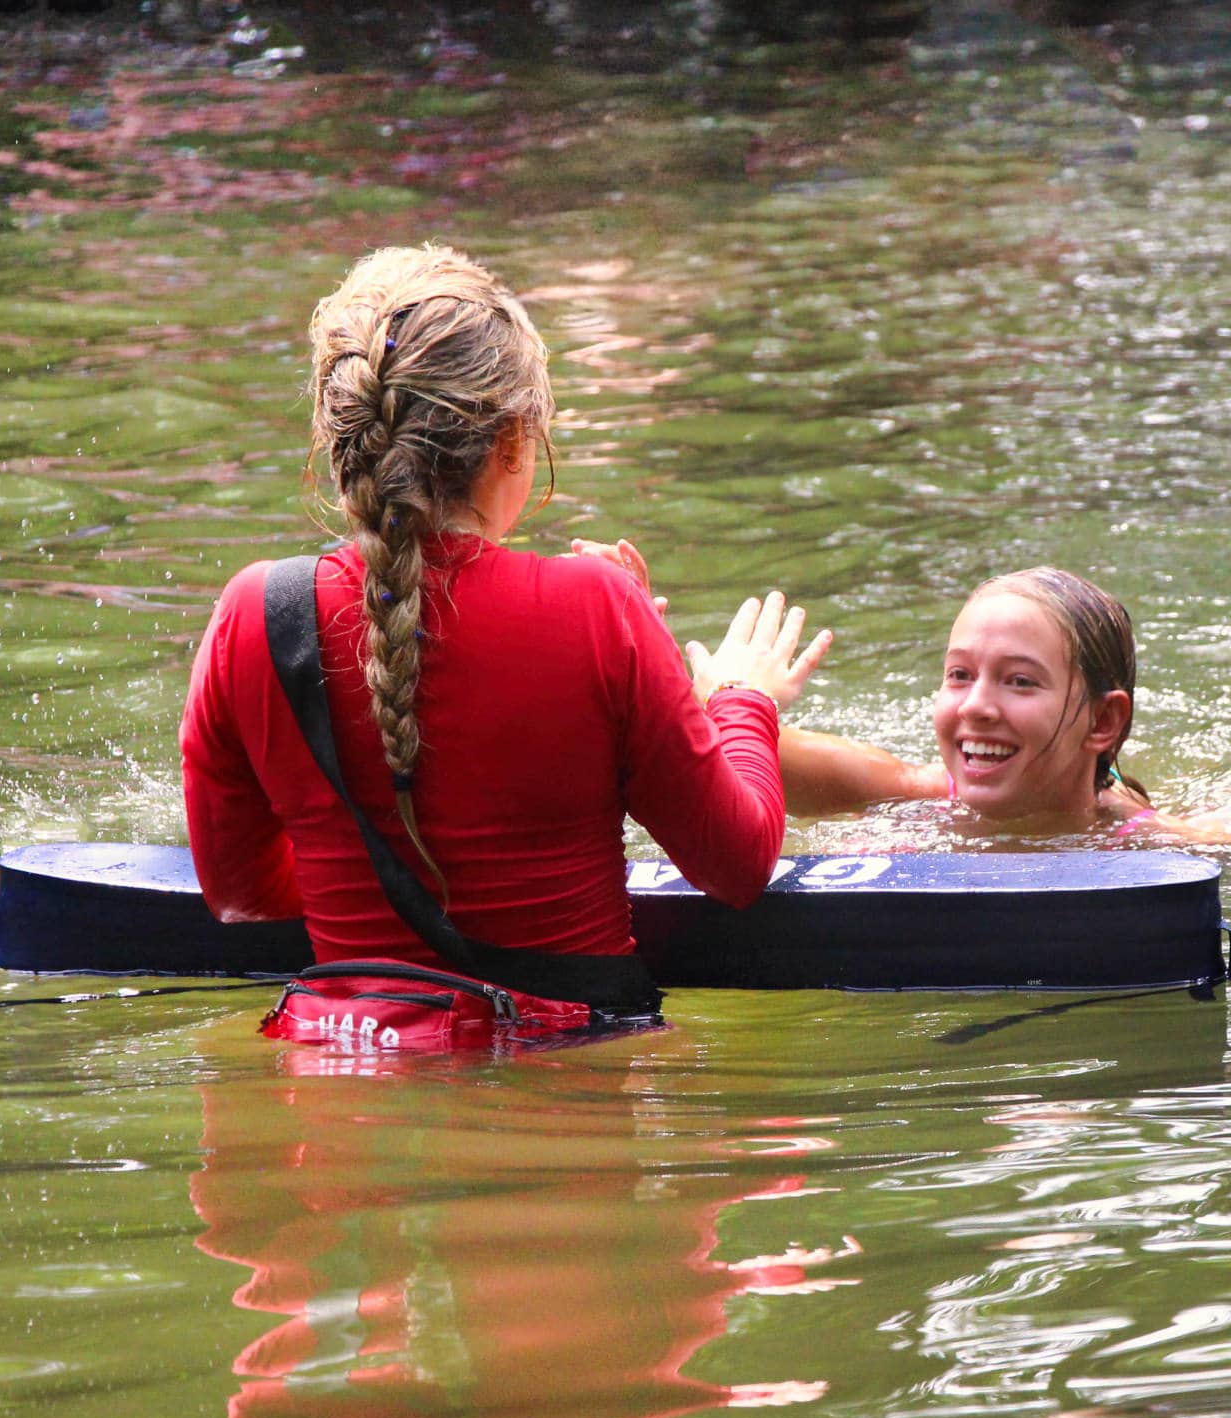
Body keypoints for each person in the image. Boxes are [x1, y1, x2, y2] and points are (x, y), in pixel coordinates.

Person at [179, 244, 829, 998]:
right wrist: (739, 700)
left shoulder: (256, 613)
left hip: (337, 1072)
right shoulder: (596, 607)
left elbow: (242, 899)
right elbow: (739, 866)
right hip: (569, 1075)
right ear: (514, 440)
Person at [575, 551, 1231, 842]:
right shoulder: (909, 797)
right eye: (959, 675)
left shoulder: (1154, 844)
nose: (975, 704)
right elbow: (717, 746)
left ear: (1102, 721)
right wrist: (637, 648)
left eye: (1020, 680)